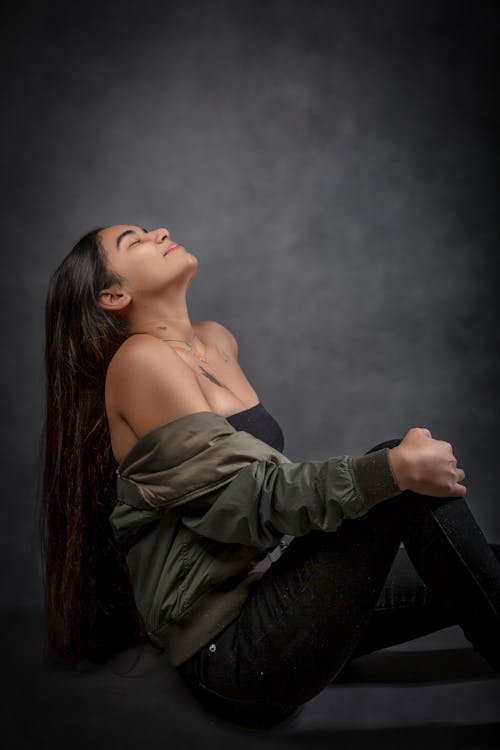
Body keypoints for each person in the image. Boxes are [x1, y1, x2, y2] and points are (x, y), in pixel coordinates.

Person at [41, 224, 500, 727]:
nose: (160, 231)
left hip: (276, 594)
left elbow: (262, 485)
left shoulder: (216, 341)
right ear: (114, 294)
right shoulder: (140, 361)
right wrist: (392, 470)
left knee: (482, 563)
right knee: (395, 474)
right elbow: (246, 502)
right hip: (233, 654)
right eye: (135, 240)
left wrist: (386, 477)